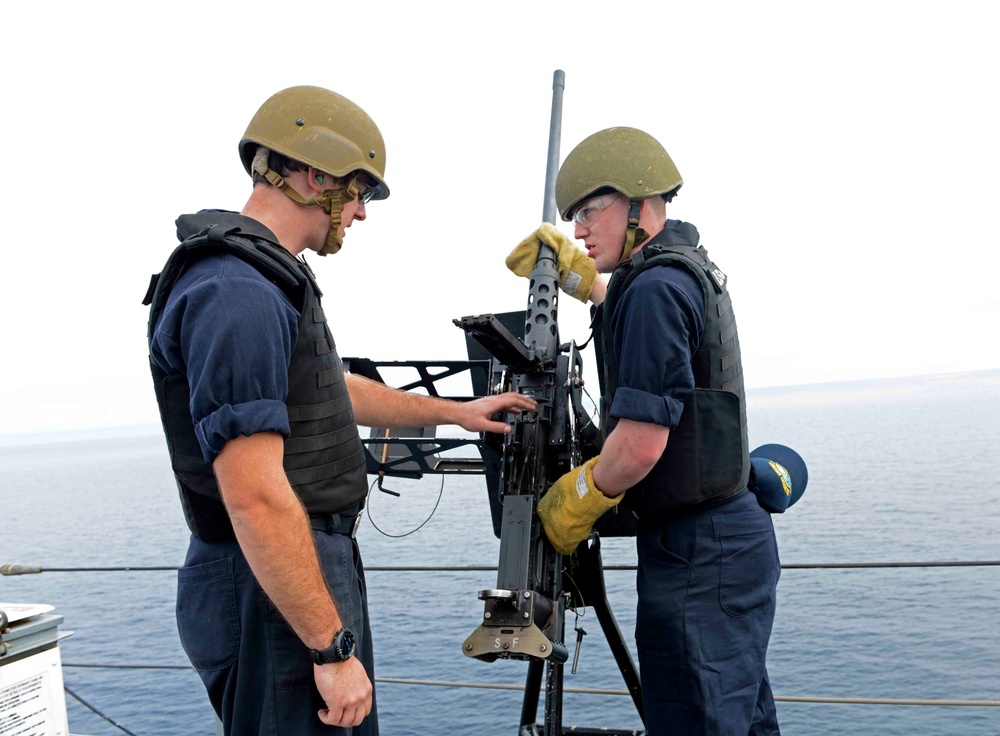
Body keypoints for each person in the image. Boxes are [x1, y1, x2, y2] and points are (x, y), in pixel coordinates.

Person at [144, 85, 535, 736]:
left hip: (293, 569)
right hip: (271, 580)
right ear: (313, 174)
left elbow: (330, 388)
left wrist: (459, 412)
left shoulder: (260, 281)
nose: (359, 212)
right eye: (357, 191)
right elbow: (256, 497)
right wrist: (329, 647)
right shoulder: (235, 291)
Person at [507, 127, 781, 735]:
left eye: (587, 212)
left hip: (699, 554)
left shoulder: (656, 289)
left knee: (695, 719)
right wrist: (587, 284)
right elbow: (646, 324)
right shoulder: (675, 271)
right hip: (719, 542)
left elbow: (639, 446)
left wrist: (574, 502)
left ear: (637, 204)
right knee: (734, 718)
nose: (578, 230)